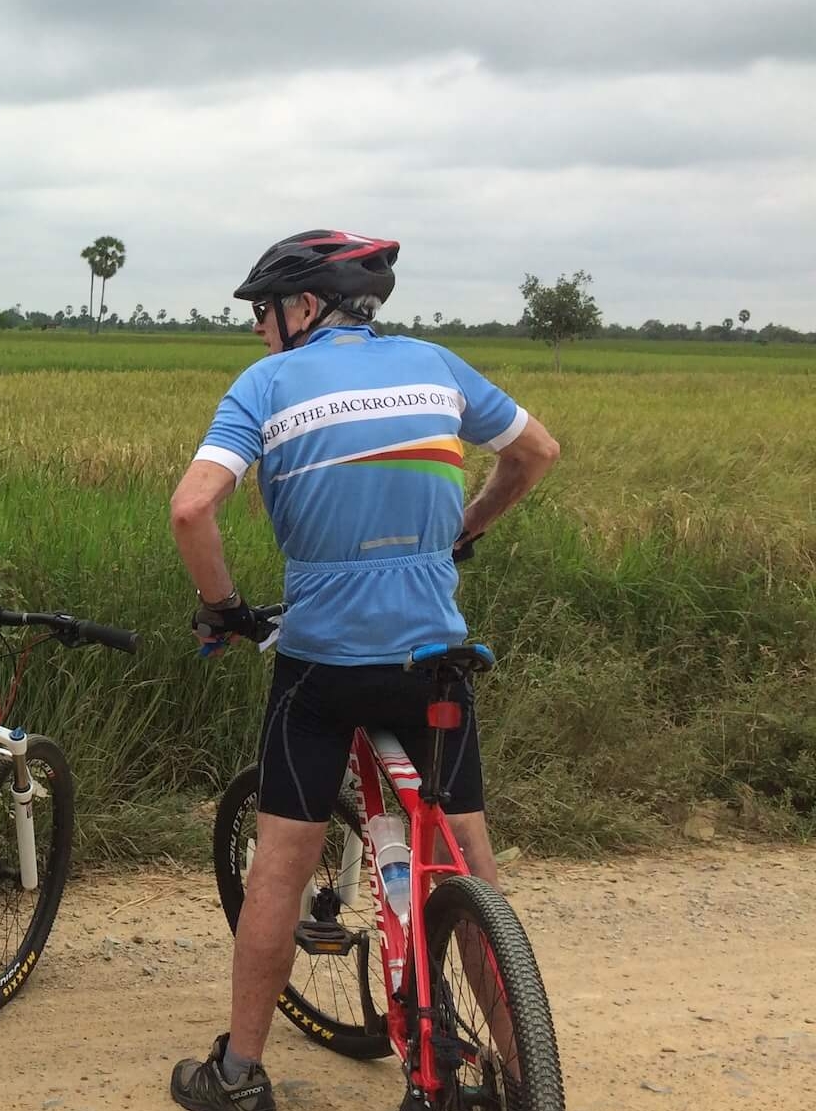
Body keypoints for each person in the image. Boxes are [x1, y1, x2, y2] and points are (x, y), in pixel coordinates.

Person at [166, 232, 561, 1110]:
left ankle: (237, 1075)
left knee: (278, 864)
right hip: (436, 663)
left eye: (264, 315)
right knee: (469, 861)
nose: (261, 334)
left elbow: (193, 505)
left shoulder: (265, 386)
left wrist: (226, 609)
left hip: (323, 667)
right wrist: (465, 529)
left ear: (304, 307)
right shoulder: (436, 365)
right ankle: (528, 1076)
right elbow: (536, 451)